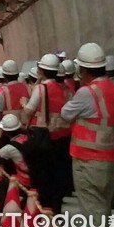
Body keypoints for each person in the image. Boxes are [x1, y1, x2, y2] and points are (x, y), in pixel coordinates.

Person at [61, 43, 114, 227]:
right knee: (103, 212)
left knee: (93, 216)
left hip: (88, 163)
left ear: (83, 69)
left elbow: (65, 113)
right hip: (110, 161)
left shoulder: (87, 93)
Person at [23, 54, 73, 214]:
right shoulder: (67, 90)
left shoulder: (41, 89)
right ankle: (57, 210)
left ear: (42, 70)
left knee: (42, 175)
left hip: (44, 138)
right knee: (58, 176)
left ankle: (44, 209)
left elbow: (29, 110)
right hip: (64, 138)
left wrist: (24, 104)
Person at [0, 114, 30, 211]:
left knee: (1, 184)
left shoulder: (10, 149)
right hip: (35, 176)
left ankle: (1, 213)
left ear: (4, 132)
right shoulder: (27, 138)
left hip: (26, 181)